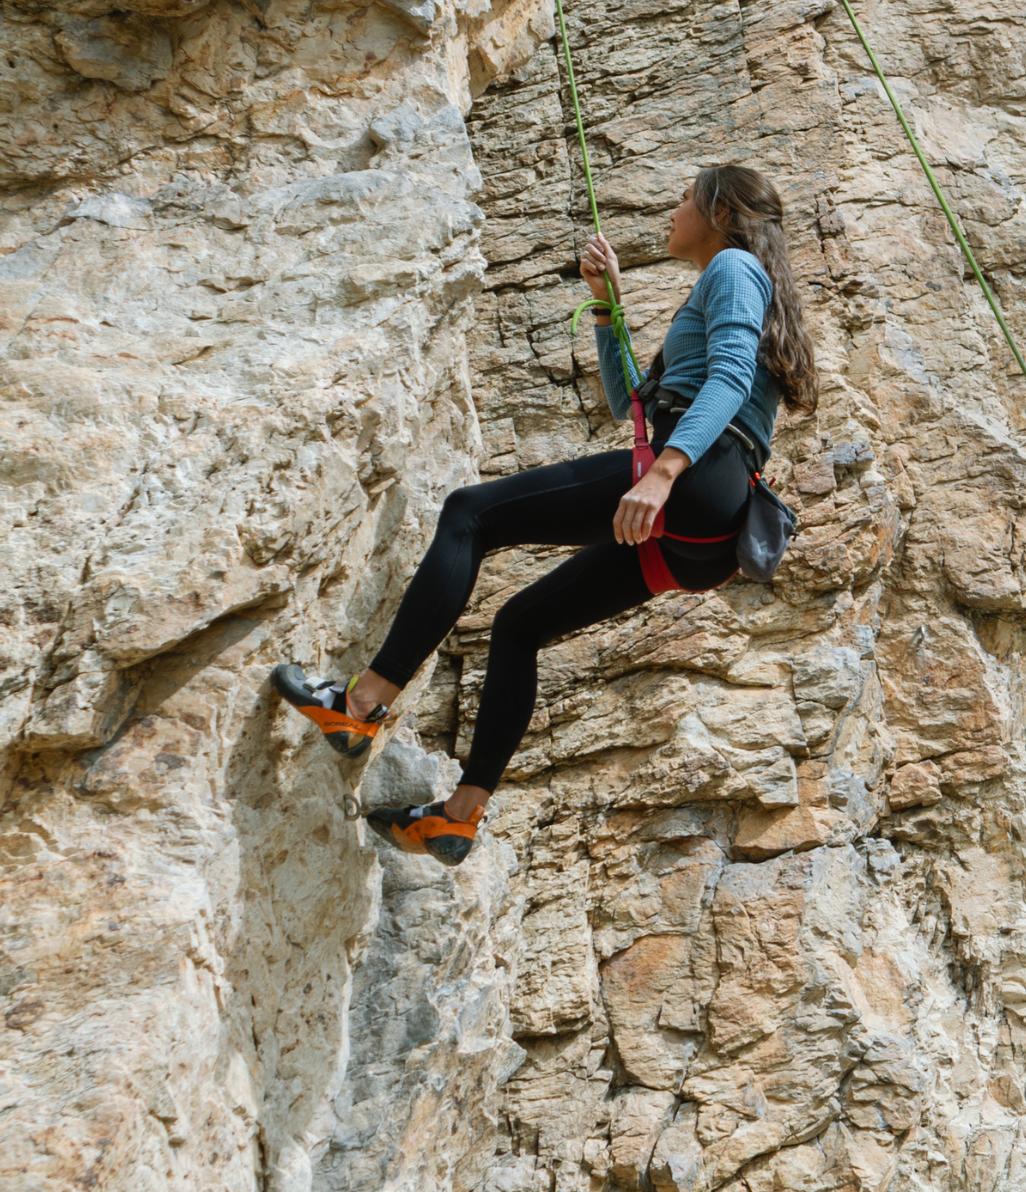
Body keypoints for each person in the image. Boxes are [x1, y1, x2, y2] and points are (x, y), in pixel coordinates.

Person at [271, 165, 818, 864]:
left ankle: (357, 704)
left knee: (471, 514)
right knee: (519, 625)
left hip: (696, 479)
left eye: (687, 197)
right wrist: (606, 306)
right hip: (704, 533)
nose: (673, 208)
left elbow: (731, 377)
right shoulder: (728, 281)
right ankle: (458, 817)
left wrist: (665, 474)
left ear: (720, 212)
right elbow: (631, 405)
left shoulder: (735, 266)